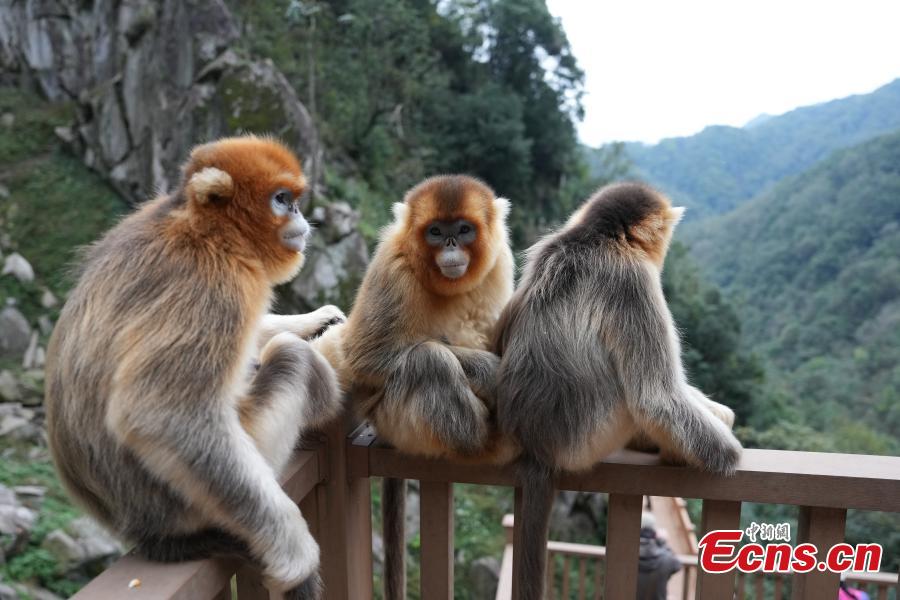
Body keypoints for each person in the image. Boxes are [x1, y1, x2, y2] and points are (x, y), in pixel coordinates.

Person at [636, 512, 682, 600]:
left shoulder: (627, 553)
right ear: (654, 531)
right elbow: (677, 565)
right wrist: (663, 543)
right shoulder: (665, 558)